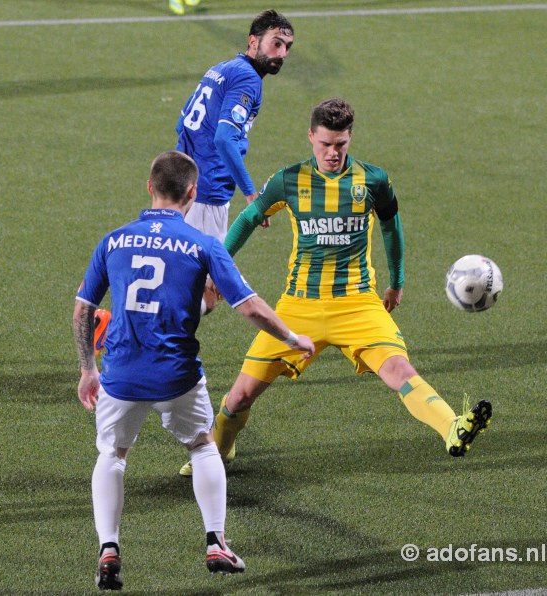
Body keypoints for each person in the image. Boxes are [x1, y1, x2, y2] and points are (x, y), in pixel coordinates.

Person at [179, 98, 492, 477]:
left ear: (350, 138)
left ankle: (452, 427)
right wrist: (217, 264)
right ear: (311, 137)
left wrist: (397, 282)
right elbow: (248, 218)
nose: (332, 152)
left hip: (358, 304)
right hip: (298, 309)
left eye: (340, 144)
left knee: (399, 369)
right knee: (243, 393)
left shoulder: (373, 180)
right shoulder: (289, 180)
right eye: (325, 144)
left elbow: (392, 229)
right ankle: (221, 450)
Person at [73, 150, 313, 590]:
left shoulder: (114, 240)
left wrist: (89, 368)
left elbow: (84, 308)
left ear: (149, 187)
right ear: (192, 192)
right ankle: (216, 540)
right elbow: (250, 307)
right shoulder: (202, 245)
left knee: (112, 455)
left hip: (121, 373)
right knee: (203, 446)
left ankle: (109, 548)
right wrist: (293, 338)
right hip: (176, 375)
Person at [175, 9, 293, 313]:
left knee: (182, 278)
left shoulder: (222, 68)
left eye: (287, 47)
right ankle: (145, 340)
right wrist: (252, 196)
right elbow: (224, 139)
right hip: (207, 195)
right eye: (276, 43)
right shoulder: (248, 80)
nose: (282, 53)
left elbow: (183, 122)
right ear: (253, 41)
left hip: (185, 185)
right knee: (210, 289)